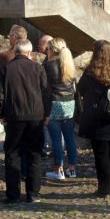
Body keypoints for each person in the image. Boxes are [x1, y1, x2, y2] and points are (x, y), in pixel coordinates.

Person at [0, 39, 50, 203]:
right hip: (35, 116)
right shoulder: (37, 68)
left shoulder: (7, 68)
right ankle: (33, 193)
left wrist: (1, 114)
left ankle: (13, 195)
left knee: (13, 154)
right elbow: (46, 93)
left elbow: (0, 95)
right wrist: (47, 114)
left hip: (14, 116)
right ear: (29, 53)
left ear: (16, 52)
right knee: (34, 154)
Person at [77, 40, 110, 198]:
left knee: (101, 155)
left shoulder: (91, 72)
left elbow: (81, 89)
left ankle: (104, 188)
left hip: (98, 119)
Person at [43, 38, 78, 180]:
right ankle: (72, 169)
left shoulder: (48, 65)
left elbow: (44, 89)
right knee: (70, 138)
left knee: (56, 140)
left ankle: (58, 170)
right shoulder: (69, 64)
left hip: (54, 104)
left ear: (51, 50)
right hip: (70, 104)